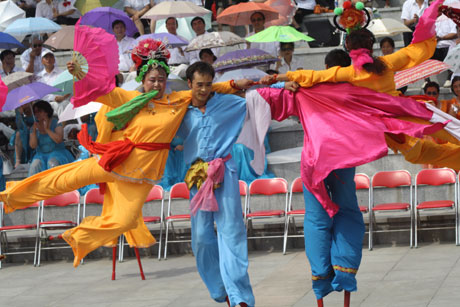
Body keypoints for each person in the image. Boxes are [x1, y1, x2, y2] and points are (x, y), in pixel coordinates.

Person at [258, 0, 459, 305]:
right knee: (426, 140)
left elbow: (312, 78)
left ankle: (324, 279)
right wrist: (433, 12)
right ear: (372, 46)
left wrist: (280, 79)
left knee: (321, 217)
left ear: (349, 50)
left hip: (342, 146)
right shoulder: (385, 64)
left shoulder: (344, 75)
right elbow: (420, 50)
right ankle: (339, 273)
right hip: (385, 128)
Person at [0, 38, 252, 267]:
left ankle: (78, 238)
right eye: (152, 79)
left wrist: (234, 84)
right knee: (62, 179)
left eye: (161, 80)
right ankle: (10, 196)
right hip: (115, 159)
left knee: (122, 221)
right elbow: (101, 90)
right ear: (143, 80)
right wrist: (80, 73)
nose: (157, 84)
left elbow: (206, 89)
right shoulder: (128, 97)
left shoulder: (176, 100)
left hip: (140, 177)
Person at [177, 61, 254, 307]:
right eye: (199, 85)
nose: (204, 90)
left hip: (225, 172)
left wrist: (283, 83)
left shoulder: (227, 102)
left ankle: (238, 295)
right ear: (189, 84)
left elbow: (257, 100)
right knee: (201, 236)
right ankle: (220, 288)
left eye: (209, 85)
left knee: (231, 231)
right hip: (196, 177)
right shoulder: (178, 109)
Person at [28, 100, 75, 176]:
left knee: (52, 163)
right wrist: (33, 132)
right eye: (35, 112)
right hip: (41, 155)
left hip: (57, 153)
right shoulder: (34, 127)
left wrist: (47, 129)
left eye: (39, 111)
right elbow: (33, 146)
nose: (36, 114)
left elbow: (59, 140)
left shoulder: (55, 122)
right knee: (35, 165)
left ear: (46, 112)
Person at [36, 49, 70, 116]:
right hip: (45, 103)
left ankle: (63, 126)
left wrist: (63, 97)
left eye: (51, 57)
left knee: (62, 105)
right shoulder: (38, 76)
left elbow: (69, 89)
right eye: (46, 58)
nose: (49, 59)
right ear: (42, 61)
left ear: (54, 60)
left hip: (60, 101)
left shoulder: (62, 73)